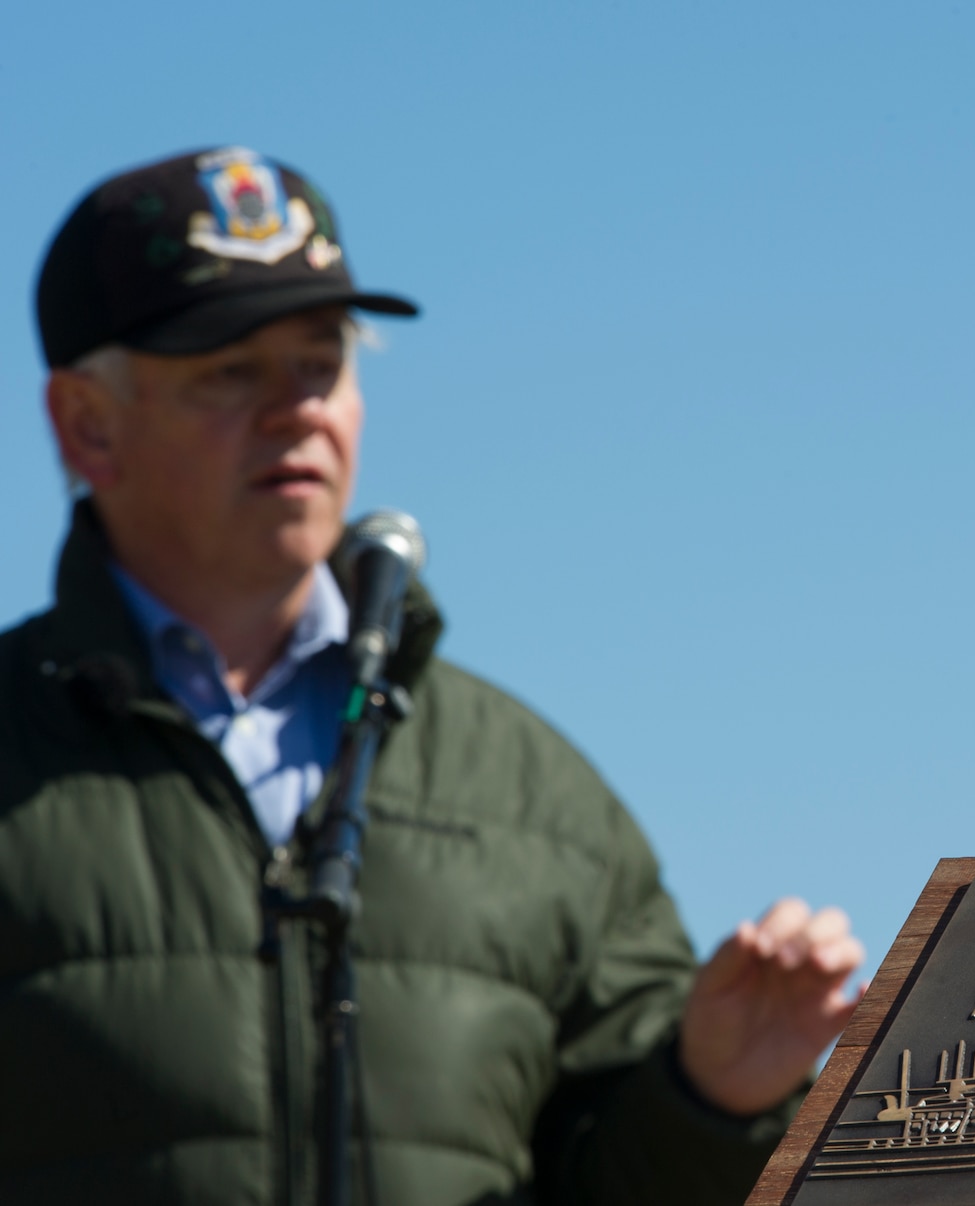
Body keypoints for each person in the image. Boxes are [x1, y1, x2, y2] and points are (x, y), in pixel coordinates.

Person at [0, 147, 863, 1206]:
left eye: (323, 363)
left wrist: (715, 1096)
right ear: (86, 423)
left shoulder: (533, 794)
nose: (296, 409)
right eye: (230, 367)